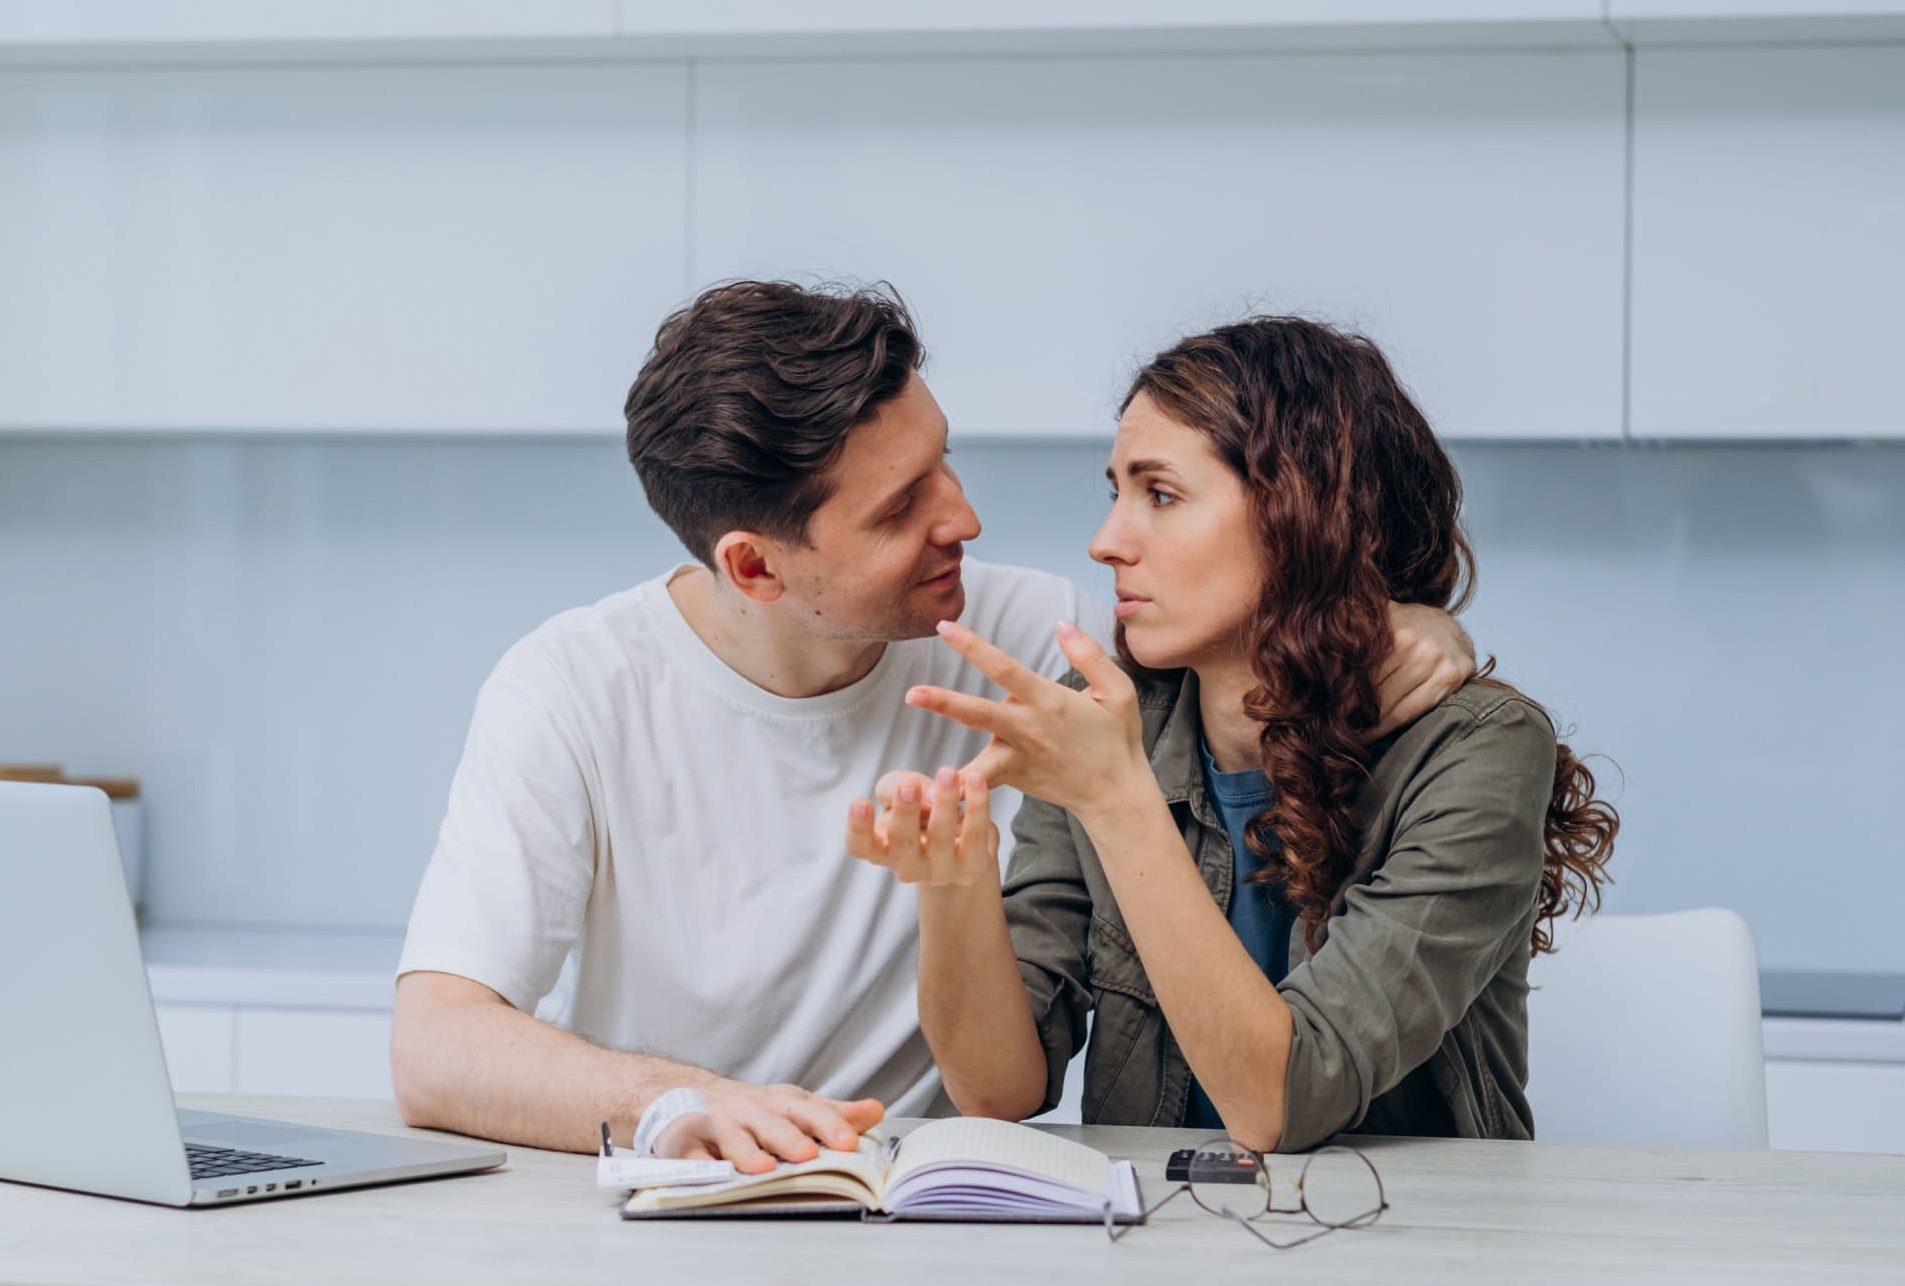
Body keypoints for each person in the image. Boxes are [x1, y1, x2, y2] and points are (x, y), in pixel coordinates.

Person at [391, 284, 1478, 1170]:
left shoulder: (1026, 639)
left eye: (941, 462)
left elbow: (1252, 604)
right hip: (680, 1192)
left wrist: (1410, 621)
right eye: (898, 507)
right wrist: (678, 1103)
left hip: (913, 1199)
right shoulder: (573, 686)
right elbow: (435, 1045)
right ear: (754, 566)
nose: (959, 517)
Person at [847, 315, 1619, 1152]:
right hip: (1158, 1232)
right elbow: (1001, 1087)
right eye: (1116, 492)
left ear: (1301, 514)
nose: (1107, 542)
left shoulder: (1476, 752)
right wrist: (951, 885)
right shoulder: (1110, 718)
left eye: (1161, 494)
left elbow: (1282, 1101)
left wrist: (1114, 796)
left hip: (1405, 1240)